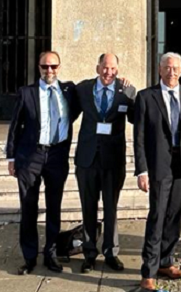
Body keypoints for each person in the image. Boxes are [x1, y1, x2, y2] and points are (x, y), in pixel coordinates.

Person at [134, 52, 181, 291]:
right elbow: (139, 137)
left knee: (175, 215)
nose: (171, 72)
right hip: (158, 166)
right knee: (157, 216)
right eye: (167, 68)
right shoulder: (146, 97)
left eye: (175, 68)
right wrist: (141, 170)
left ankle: (166, 261)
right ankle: (148, 271)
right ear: (159, 69)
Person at [5, 51, 78, 275]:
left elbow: (79, 108)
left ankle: (51, 253)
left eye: (53, 66)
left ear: (59, 67)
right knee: (28, 207)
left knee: (54, 206)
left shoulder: (69, 91)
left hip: (57, 155)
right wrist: (11, 157)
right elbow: (15, 125)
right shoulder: (27, 93)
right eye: (45, 67)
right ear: (38, 68)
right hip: (31, 156)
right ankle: (29, 257)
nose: (49, 71)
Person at [73, 53, 136, 273]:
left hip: (113, 159)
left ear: (118, 69)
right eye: (105, 68)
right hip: (87, 159)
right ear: (97, 67)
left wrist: (134, 96)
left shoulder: (126, 91)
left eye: (113, 68)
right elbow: (68, 114)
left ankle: (111, 252)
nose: (109, 72)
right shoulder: (82, 89)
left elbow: (137, 118)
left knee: (111, 208)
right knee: (88, 207)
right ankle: (89, 253)